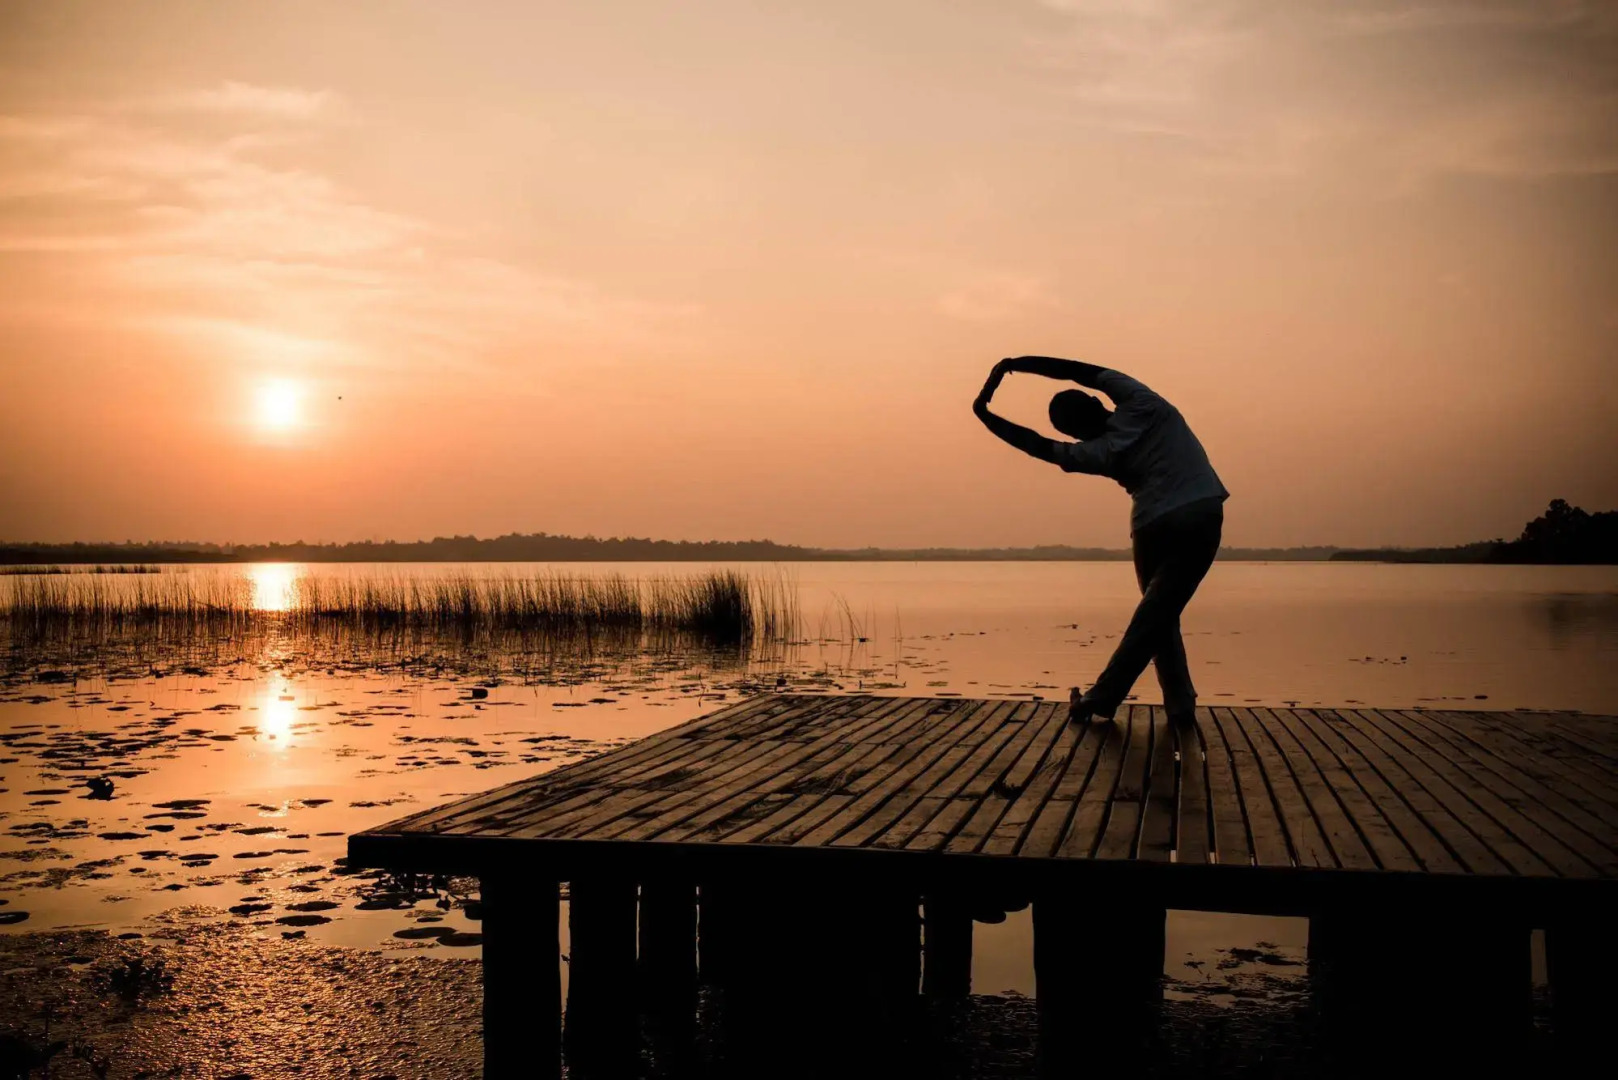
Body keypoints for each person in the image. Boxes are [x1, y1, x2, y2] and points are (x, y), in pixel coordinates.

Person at [973, 356, 1227, 725]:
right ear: (1097, 401)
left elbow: (1037, 445)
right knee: (1159, 614)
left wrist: (985, 415)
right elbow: (1081, 370)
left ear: (1075, 433)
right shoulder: (1144, 403)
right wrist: (1018, 364)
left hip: (1153, 525)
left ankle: (1109, 697)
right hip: (1200, 510)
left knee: (1157, 615)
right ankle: (1178, 704)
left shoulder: (1096, 452)